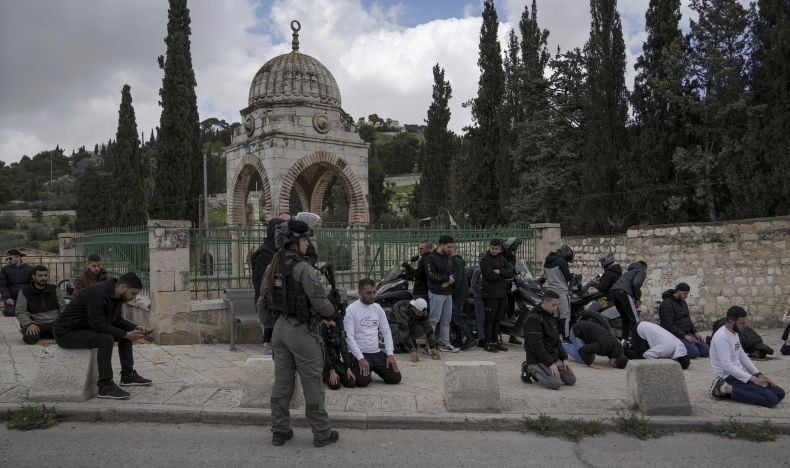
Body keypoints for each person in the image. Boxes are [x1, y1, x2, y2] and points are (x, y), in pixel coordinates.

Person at [258, 219, 338, 447]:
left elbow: (262, 301)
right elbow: (320, 302)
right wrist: (331, 311)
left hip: (280, 330)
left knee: (282, 383)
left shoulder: (273, 264)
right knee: (312, 383)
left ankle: (280, 430)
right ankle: (322, 432)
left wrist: (269, 328)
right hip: (302, 331)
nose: (307, 244)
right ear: (295, 241)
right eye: (305, 239)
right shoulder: (303, 268)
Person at [53, 272, 152, 400]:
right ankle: (105, 385)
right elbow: (98, 325)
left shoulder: (117, 297)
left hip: (85, 329)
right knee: (106, 339)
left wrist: (135, 328)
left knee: (125, 334)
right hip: (66, 333)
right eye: (133, 293)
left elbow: (116, 320)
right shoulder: (96, 294)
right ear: (123, 288)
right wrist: (127, 334)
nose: (134, 297)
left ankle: (127, 375)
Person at [709, 306, 785, 408]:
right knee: (771, 400)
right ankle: (724, 388)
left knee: (780, 393)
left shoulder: (735, 333)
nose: (745, 325)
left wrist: (757, 374)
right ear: (731, 321)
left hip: (739, 375)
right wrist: (752, 379)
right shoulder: (722, 337)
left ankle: (736, 391)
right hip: (728, 377)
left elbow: (741, 354)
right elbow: (726, 365)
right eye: (742, 323)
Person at [344, 278, 402, 386]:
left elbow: (386, 330)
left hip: (376, 352)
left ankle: (372, 367)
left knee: (395, 378)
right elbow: (349, 337)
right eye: (368, 293)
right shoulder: (351, 310)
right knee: (362, 382)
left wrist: (390, 354)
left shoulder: (377, 308)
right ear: (360, 293)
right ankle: (361, 367)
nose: (372, 296)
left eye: (374, 292)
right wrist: (360, 358)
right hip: (359, 353)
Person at [522, 290, 576, 389]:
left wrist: (564, 358)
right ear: (544, 302)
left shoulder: (551, 316)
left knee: (571, 379)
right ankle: (529, 367)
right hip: (537, 358)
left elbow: (557, 340)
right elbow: (536, 346)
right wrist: (550, 363)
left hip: (552, 356)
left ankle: (547, 370)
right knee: (555, 384)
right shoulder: (533, 319)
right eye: (553, 305)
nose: (555, 309)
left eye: (557, 306)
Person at [251, 218, 287, 356]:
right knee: (272, 350)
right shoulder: (264, 254)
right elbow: (262, 285)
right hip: (269, 308)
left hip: (279, 306)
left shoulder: (278, 251)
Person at [425, 235, 459, 353]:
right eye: (449, 247)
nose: (451, 249)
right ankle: (429, 346)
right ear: (441, 245)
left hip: (447, 293)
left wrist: (450, 280)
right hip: (436, 293)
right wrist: (446, 279)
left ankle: (445, 343)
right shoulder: (431, 258)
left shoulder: (449, 257)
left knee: (446, 320)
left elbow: (454, 272)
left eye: (452, 247)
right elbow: (431, 275)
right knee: (434, 320)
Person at [480, 239, 514, 352]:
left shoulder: (501, 258)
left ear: (500, 249)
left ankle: (495, 342)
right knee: (490, 319)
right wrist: (503, 275)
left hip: (502, 294)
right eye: (492, 248)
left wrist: (500, 271)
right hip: (490, 294)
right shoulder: (485, 259)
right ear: (489, 247)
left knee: (498, 319)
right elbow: (489, 276)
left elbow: (510, 271)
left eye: (496, 249)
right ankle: (488, 343)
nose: (494, 251)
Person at [659, 283, 709, 359]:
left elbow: (687, 318)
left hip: (687, 332)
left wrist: (695, 332)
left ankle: (691, 344)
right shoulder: (666, 304)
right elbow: (668, 325)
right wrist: (684, 336)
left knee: (706, 351)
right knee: (694, 353)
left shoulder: (683, 302)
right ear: (678, 291)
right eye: (685, 294)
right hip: (675, 334)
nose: (686, 296)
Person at [16, 265, 64, 345]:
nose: (43, 278)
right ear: (33, 277)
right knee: (30, 339)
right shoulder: (24, 292)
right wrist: (29, 324)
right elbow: (20, 311)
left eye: (45, 275)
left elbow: (63, 307)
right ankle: (47, 334)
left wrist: (64, 321)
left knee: (71, 332)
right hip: (36, 324)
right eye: (40, 276)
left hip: (54, 323)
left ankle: (50, 334)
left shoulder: (54, 289)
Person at [387, 298, 441, 362]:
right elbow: (404, 331)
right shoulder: (402, 310)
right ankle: (396, 343)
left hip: (408, 323)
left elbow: (428, 329)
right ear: (414, 307)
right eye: (418, 312)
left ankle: (407, 343)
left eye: (422, 313)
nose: (420, 315)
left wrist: (433, 347)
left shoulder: (422, 311)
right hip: (394, 324)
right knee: (399, 331)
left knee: (421, 329)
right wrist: (412, 349)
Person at [563, 318, 628, 369]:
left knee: (590, 357)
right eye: (614, 365)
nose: (612, 365)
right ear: (614, 359)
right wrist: (591, 364)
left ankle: (572, 346)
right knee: (582, 359)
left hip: (585, 332)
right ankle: (563, 346)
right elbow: (582, 350)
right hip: (577, 332)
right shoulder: (603, 346)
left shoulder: (618, 348)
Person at [625, 321, 690, 369]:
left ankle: (631, 345)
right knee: (642, 358)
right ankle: (624, 349)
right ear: (677, 361)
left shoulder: (680, 345)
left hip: (644, 325)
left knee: (648, 351)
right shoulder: (668, 349)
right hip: (639, 330)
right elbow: (647, 355)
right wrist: (660, 362)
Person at [609, 261, 647, 341]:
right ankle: (640, 341)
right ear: (644, 267)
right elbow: (636, 284)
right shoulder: (641, 270)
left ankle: (624, 341)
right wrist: (637, 298)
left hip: (613, 292)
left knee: (625, 319)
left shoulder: (628, 273)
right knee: (635, 319)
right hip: (623, 293)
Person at [542, 245, 575, 338]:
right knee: (565, 316)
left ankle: (553, 336)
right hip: (561, 292)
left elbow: (544, 277)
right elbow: (568, 277)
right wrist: (573, 276)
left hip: (550, 292)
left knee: (554, 315)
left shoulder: (547, 261)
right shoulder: (562, 261)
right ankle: (566, 338)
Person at [449, 244, 476, 350]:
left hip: (458, 294)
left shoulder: (456, 261)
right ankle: (458, 340)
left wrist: (454, 292)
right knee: (455, 317)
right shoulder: (455, 261)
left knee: (456, 317)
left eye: (451, 247)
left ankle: (470, 337)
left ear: (455, 249)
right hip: (459, 294)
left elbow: (458, 279)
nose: (449, 249)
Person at [320, 319, 356, 390]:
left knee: (351, 382)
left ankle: (337, 373)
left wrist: (348, 367)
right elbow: (324, 352)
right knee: (335, 385)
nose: (331, 322)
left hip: (336, 362)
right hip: (325, 365)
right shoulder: (321, 328)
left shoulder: (337, 327)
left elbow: (344, 348)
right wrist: (331, 370)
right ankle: (323, 375)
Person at [502, 237, 524, 345]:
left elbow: (515, 269)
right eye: (513, 248)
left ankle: (513, 334)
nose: (515, 250)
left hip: (509, 287)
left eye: (515, 248)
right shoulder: (502, 257)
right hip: (502, 287)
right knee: (503, 309)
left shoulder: (512, 257)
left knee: (512, 308)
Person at [0, 249, 34, 317]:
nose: (8, 260)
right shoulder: (5, 269)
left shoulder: (29, 268)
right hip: (12, 299)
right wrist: (7, 297)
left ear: (18, 258)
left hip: (26, 297)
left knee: (34, 310)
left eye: (10, 258)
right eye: (7, 259)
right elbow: (2, 285)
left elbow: (33, 284)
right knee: (10, 313)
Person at [469, 259, 486, 348]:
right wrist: (481, 289)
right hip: (479, 297)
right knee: (480, 318)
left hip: (488, 297)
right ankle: (481, 338)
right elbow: (473, 284)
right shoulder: (478, 271)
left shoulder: (488, 270)